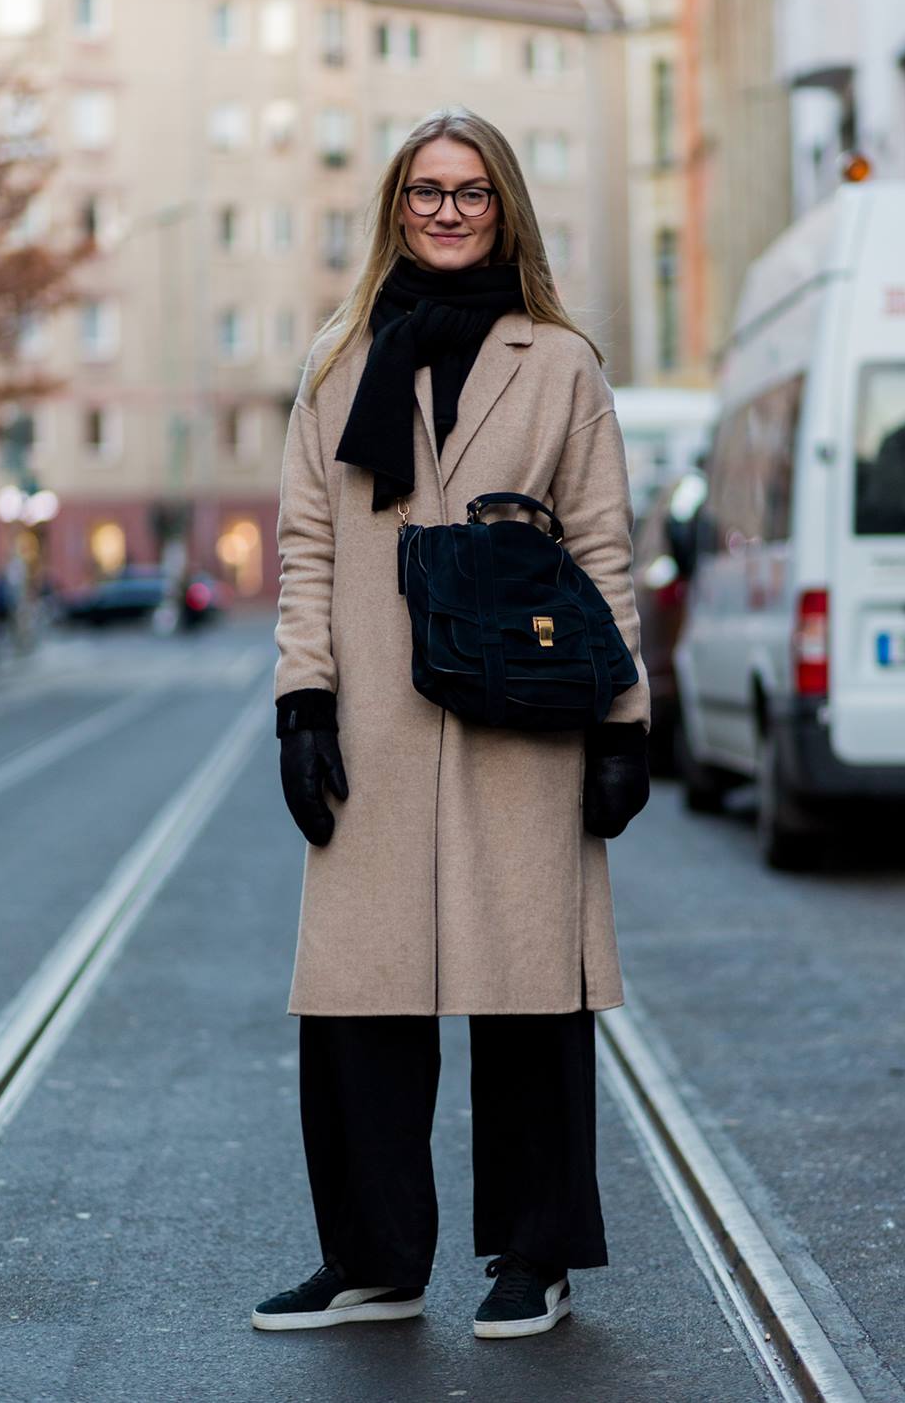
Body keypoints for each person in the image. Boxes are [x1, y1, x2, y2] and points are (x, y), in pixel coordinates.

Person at [257, 106, 650, 1340]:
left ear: (503, 208)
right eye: (423, 190)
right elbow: (307, 547)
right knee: (359, 998)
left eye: (468, 191)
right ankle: (372, 1258)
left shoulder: (559, 362)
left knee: (530, 991)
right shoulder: (337, 364)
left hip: (520, 716)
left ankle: (535, 1255)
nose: (443, 209)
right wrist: (301, 702)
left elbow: (601, 546)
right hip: (374, 715)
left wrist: (624, 719)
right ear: (394, 209)